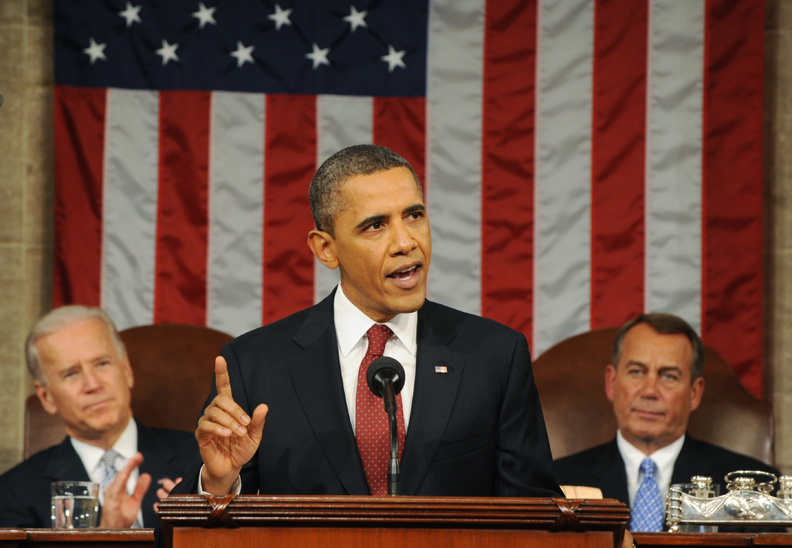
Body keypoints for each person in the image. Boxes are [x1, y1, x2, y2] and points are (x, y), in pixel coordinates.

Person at [173, 144, 561, 499]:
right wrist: (219, 483)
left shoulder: (493, 355)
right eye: (376, 225)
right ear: (326, 249)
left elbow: (538, 515)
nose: (406, 241)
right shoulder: (255, 364)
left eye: (414, 215)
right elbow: (173, 537)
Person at [553, 313, 780, 531]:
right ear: (611, 382)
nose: (650, 391)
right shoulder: (557, 483)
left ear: (694, 393)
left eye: (668, 376)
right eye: (636, 371)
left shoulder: (752, 492)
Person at [0, 306, 197, 528]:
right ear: (46, 397)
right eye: (71, 373)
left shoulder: (199, 460)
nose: (93, 385)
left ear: (126, 371)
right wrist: (105, 538)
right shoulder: (14, 494)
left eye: (102, 364)